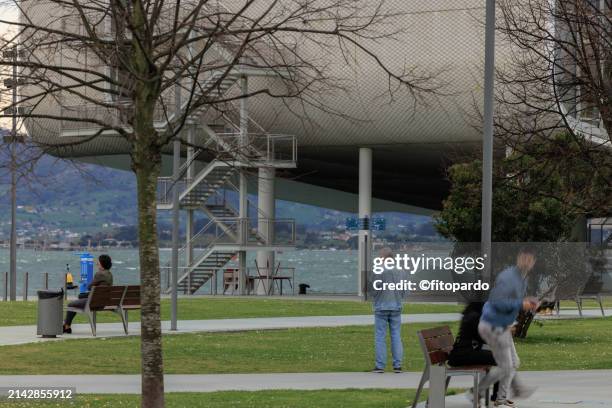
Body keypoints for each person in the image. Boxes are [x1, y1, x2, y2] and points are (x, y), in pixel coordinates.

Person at [476, 248, 539, 407]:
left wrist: (527, 301)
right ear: (518, 258)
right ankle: (479, 393)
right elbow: (497, 302)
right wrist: (520, 303)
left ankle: (501, 397)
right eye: (524, 257)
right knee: (506, 366)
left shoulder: (522, 278)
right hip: (492, 325)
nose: (526, 261)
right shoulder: (508, 277)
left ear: (533, 262)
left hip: (501, 325)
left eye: (530, 259)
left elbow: (513, 301)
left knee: (514, 363)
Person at [447, 302, 499, 402]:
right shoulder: (473, 317)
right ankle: (495, 397)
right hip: (462, 355)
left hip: (462, 353)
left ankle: (494, 396)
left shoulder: (472, 315)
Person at [371, 248, 404, 373]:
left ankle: (380, 366)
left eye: (380, 256)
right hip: (396, 306)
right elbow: (405, 290)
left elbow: (373, 289)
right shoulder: (400, 271)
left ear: (383, 257)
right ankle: (397, 365)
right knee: (396, 335)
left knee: (380, 336)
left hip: (381, 307)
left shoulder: (378, 270)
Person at [63, 254, 114, 333]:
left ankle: (66, 326)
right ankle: (66, 325)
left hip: (95, 302)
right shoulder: (110, 274)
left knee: (71, 305)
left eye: (98, 262)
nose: (97, 264)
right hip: (103, 300)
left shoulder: (99, 274)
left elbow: (90, 287)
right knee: (80, 296)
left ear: (102, 263)